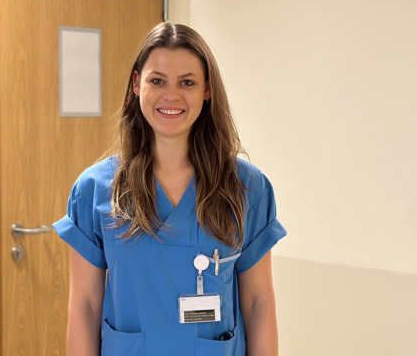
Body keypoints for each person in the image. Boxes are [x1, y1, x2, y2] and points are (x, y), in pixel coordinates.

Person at [53, 22, 287, 356]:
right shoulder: (94, 191)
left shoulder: (247, 188)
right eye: (157, 81)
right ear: (137, 84)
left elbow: (257, 301)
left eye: (187, 82)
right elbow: (85, 306)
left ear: (207, 89)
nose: (171, 96)